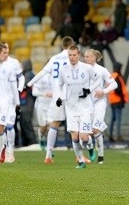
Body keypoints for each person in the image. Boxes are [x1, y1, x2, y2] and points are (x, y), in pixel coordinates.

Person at [26, 36, 76, 164]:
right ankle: (79, 156)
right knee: (75, 125)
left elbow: (42, 72)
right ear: (71, 45)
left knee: (54, 124)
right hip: (70, 96)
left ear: (62, 45)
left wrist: (30, 83)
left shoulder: (54, 59)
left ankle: (48, 155)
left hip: (56, 96)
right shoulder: (72, 57)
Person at [57, 45, 96, 169]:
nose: (72, 57)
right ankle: (80, 161)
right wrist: (60, 97)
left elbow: (98, 81)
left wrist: (89, 90)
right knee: (74, 136)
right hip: (71, 107)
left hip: (85, 107)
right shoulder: (63, 70)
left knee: (83, 137)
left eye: (74, 55)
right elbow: (60, 86)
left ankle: (89, 145)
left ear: (78, 55)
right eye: (70, 55)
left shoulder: (87, 68)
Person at [85, 49, 118, 163]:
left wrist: (103, 91)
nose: (85, 59)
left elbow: (114, 84)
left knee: (95, 129)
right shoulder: (82, 69)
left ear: (94, 58)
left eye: (88, 56)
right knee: (87, 132)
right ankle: (90, 148)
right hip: (87, 104)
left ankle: (101, 156)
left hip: (99, 102)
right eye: (85, 56)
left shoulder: (102, 70)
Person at [1, 43, 25, 163]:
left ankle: (10, 150)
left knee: (10, 125)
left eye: (6, 49)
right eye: (3, 50)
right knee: (1, 126)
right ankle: (3, 150)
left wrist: (19, 90)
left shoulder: (14, 62)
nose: (5, 52)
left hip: (11, 99)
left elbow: (21, 77)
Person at [32, 70, 52, 151]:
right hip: (41, 104)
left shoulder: (57, 77)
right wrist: (45, 94)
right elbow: (34, 92)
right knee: (43, 127)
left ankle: (50, 147)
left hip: (52, 105)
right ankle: (42, 137)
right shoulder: (40, 77)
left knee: (52, 125)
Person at [109, 62, 128, 142]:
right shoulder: (117, 77)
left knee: (113, 119)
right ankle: (118, 136)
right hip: (118, 101)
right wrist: (123, 99)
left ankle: (111, 135)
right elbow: (118, 89)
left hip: (112, 100)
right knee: (118, 119)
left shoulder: (112, 76)